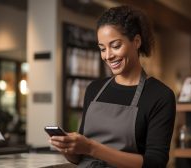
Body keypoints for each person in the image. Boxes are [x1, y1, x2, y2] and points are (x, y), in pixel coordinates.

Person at [50, 5, 176, 168]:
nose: (108, 56)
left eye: (115, 46)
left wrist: (92, 148)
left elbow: (155, 163)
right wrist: (68, 148)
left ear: (136, 42)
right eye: (102, 49)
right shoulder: (94, 90)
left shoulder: (160, 95)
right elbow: (79, 158)